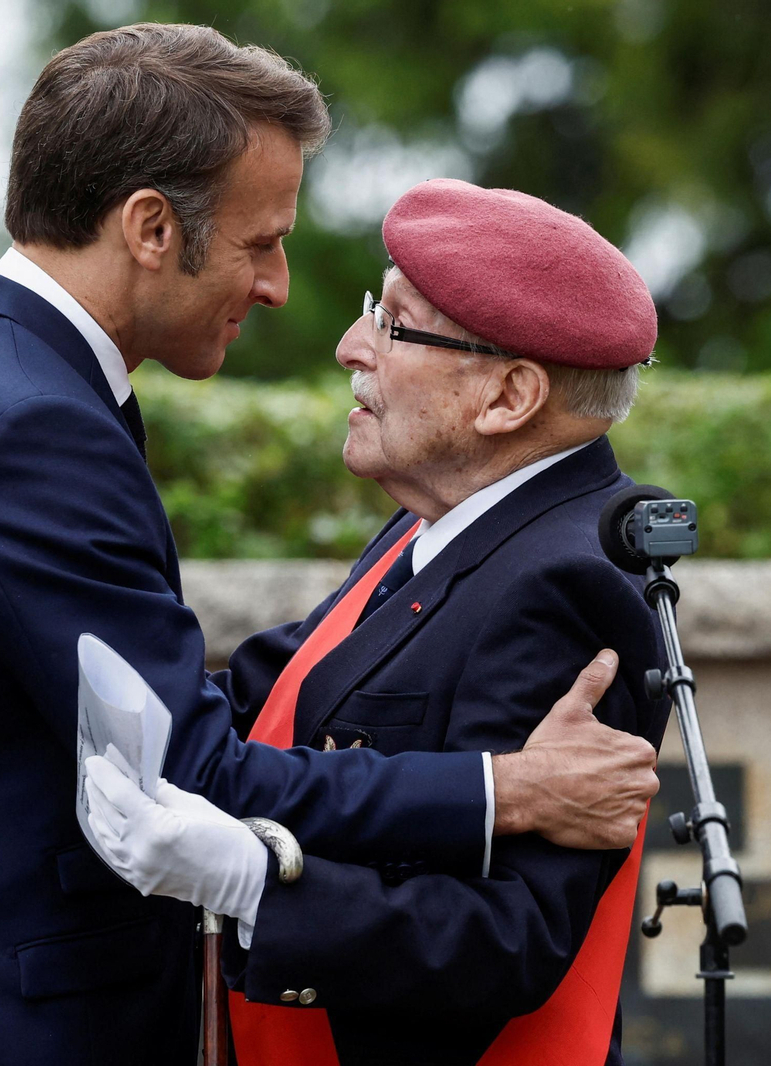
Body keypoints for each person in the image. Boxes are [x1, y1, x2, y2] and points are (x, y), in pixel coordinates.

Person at [0, 25, 657, 1066]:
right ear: (152, 227)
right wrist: (499, 790)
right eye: (258, 242)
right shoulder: (28, 421)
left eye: (396, 323)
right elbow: (187, 760)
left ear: (513, 396)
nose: (284, 287)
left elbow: (214, 701)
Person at [82, 178, 669, 1066]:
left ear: (508, 397)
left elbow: (504, 941)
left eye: (395, 325)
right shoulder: (447, 520)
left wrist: (254, 890)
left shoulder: (568, 581)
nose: (350, 346)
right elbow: (269, 692)